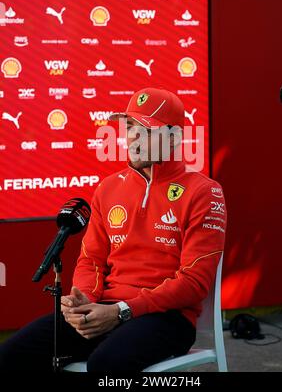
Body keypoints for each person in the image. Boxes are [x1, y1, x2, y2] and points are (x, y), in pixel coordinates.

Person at [0, 88, 227, 372]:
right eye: (130, 126)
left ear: (173, 138)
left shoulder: (204, 192)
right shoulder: (108, 188)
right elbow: (91, 260)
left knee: (106, 364)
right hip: (104, 307)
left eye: (145, 129)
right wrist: (84, 301)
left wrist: (121, 312)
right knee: (11, 355)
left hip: (166, 318)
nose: (132, 136)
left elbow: (194, 282)